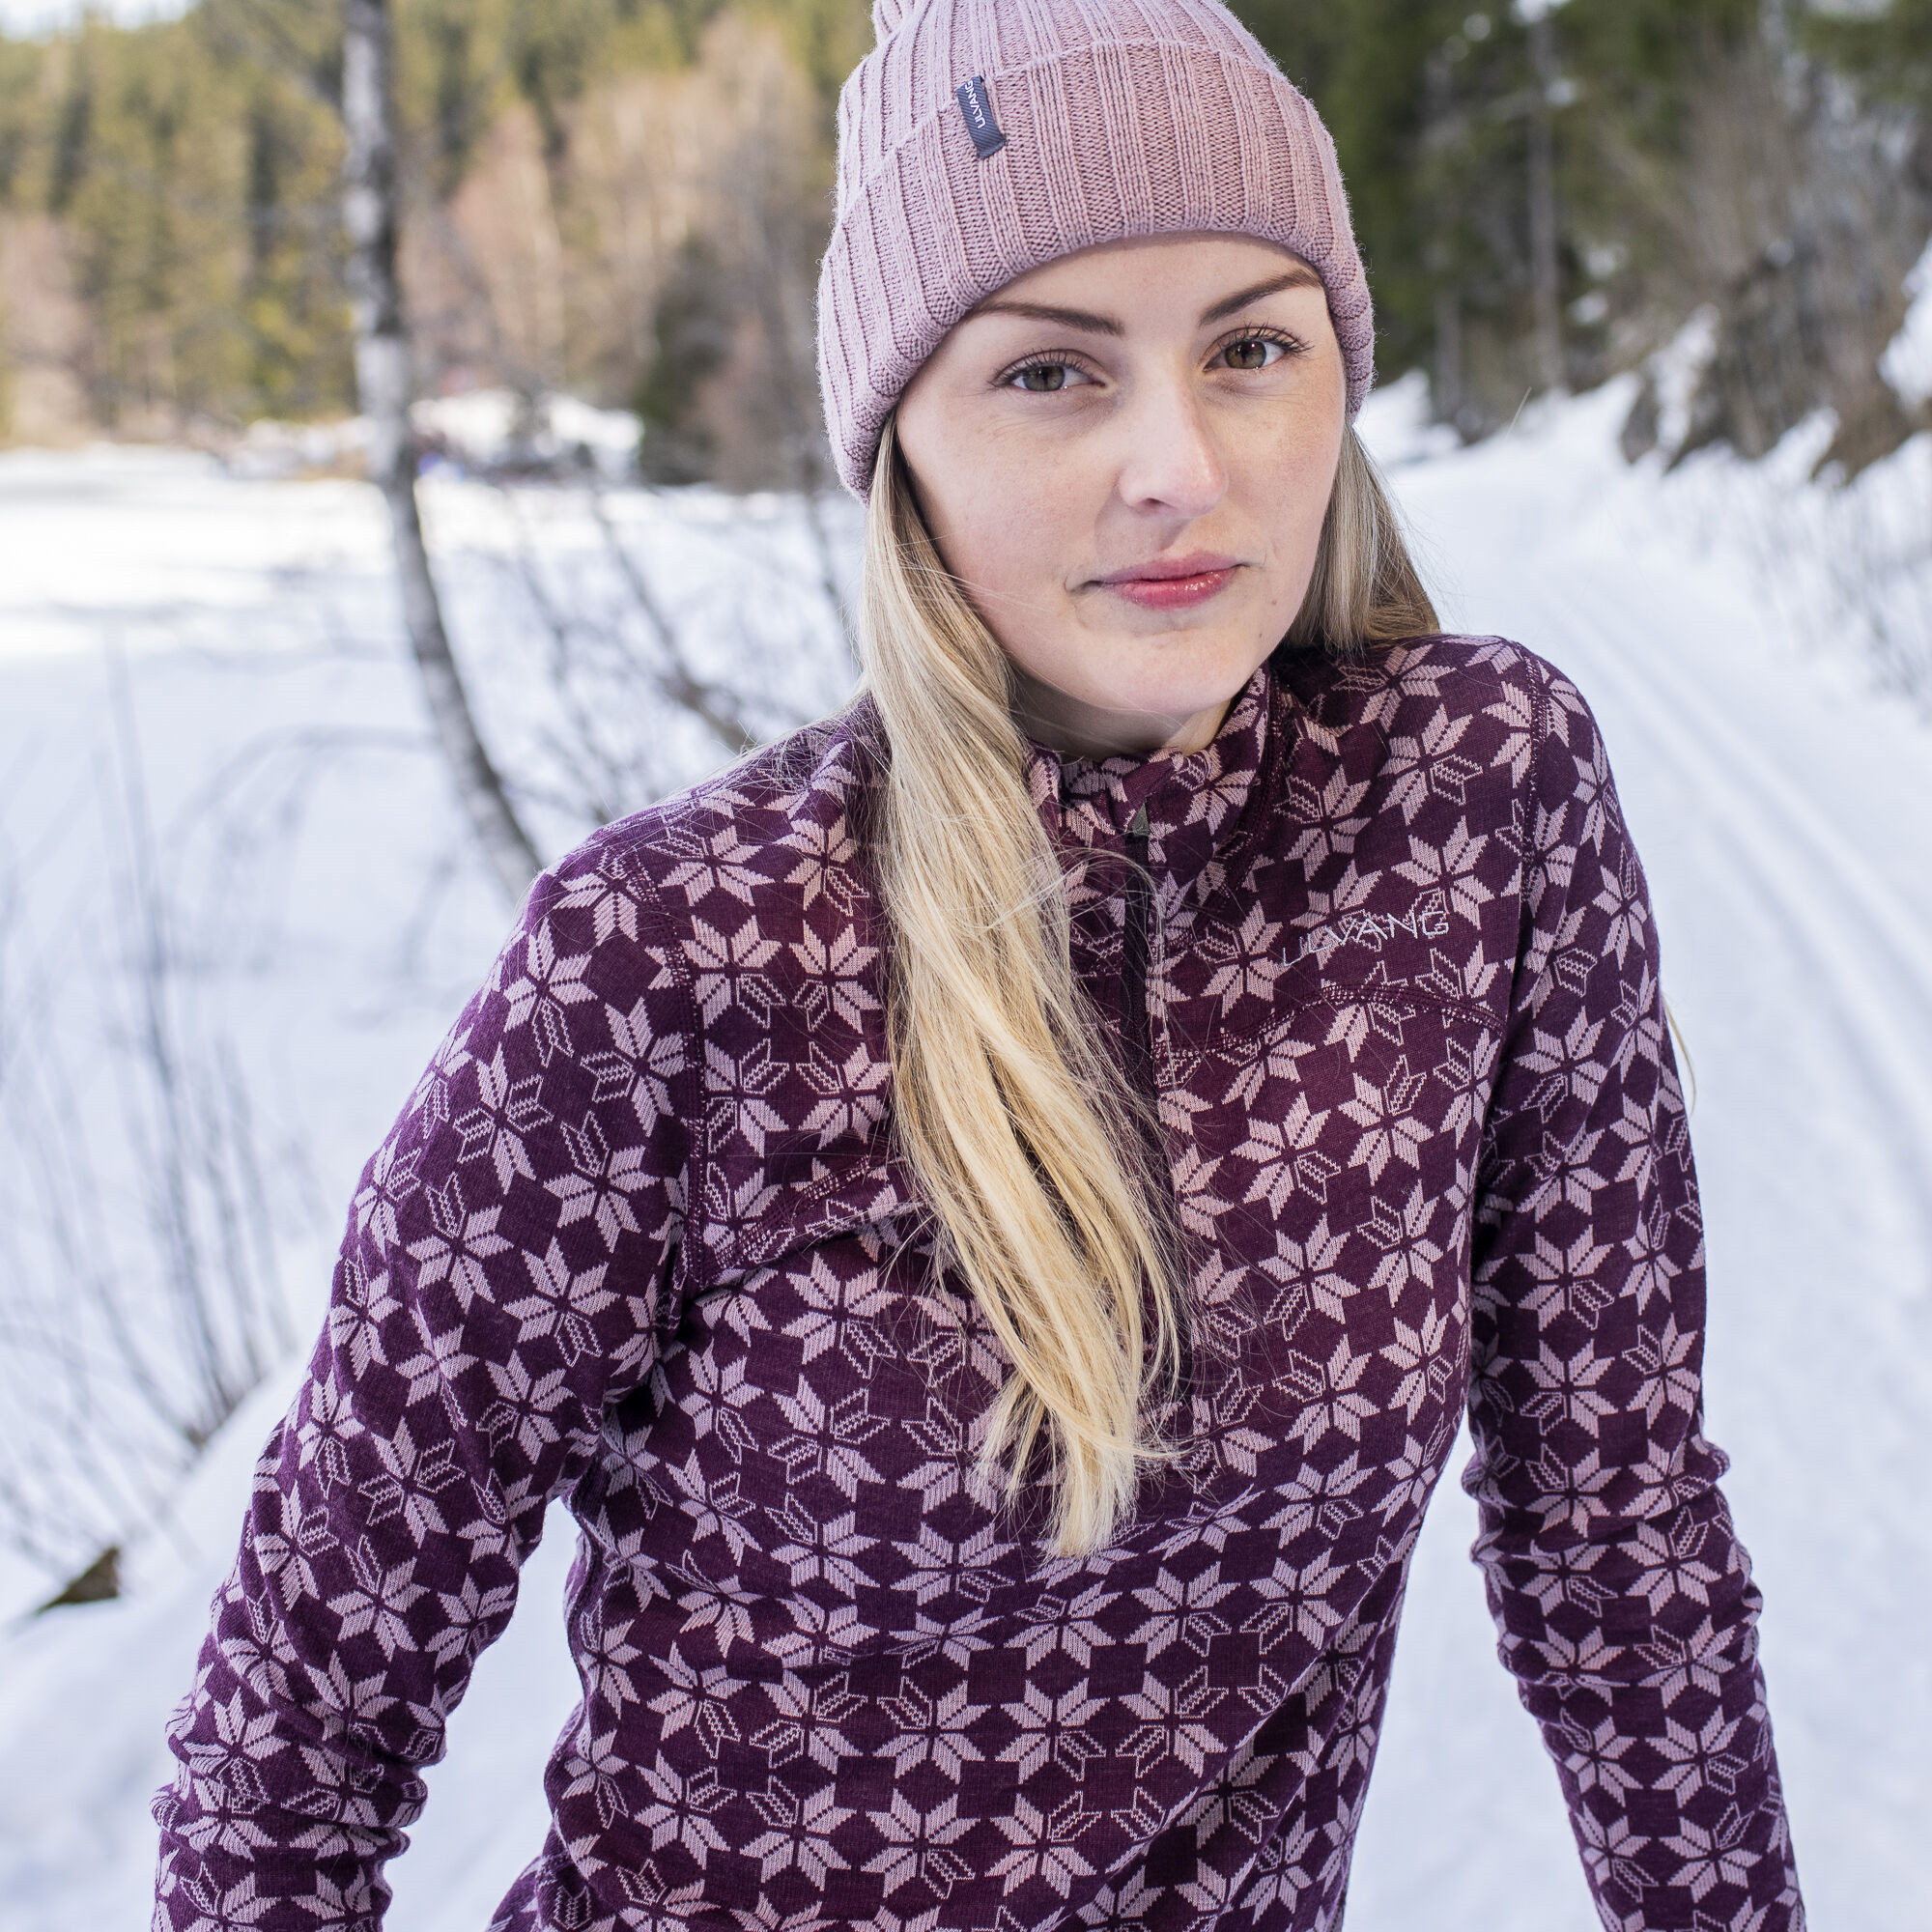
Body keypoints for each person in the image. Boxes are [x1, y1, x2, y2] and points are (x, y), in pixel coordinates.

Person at [153, 1, 1806, 1928]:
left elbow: (1616, 1526)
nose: (1178, 465)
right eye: (1049, 373)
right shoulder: (678, 953)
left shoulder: (1474, 798)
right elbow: (298, 1722)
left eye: (1250, 349)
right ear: (901, 445)